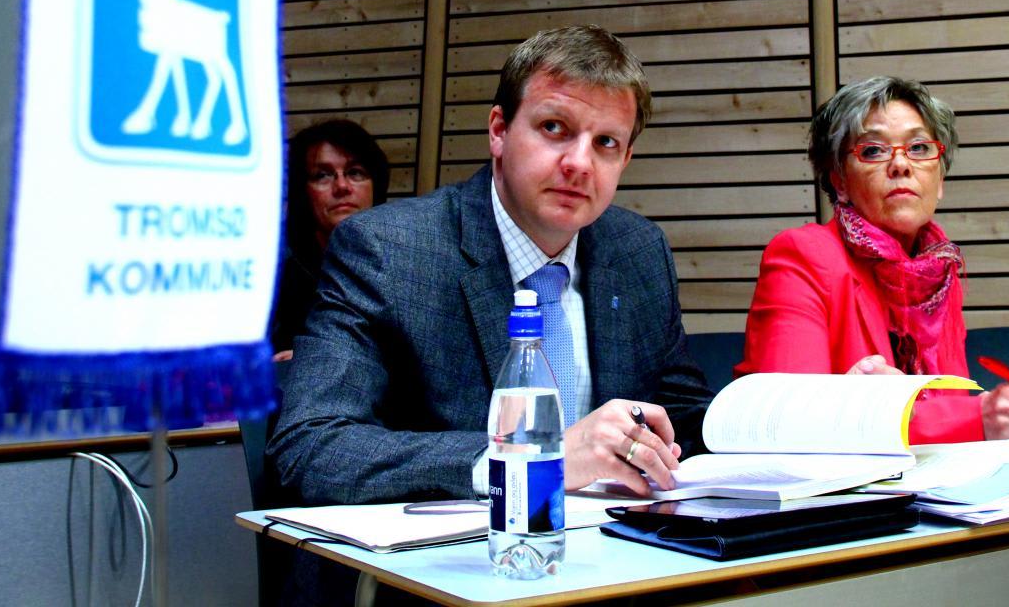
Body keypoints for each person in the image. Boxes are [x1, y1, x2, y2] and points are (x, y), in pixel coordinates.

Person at [269, 25, 713, 506]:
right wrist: (528, 458)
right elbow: (311, 445)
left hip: (612, 544)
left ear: (625, 159)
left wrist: (761, 425)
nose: (580, 163)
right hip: (456, 547)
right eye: (554, 128)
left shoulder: (637, 250)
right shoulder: (388, 251)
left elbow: (682, 417)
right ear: (499, 131)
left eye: (605, 142)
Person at [737, 76, 1009, 442]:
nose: (901, 164)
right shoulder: (802, 255)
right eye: (873, 151)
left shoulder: (938, 272)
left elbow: (945, 414)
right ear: (840, 181)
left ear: (940, 180)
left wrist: (996, 416)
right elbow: (787, 420)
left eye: (919, 148)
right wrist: (975, 417)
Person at [269, 119, 390, 360]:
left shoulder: (408, 262)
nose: (342, 186)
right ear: (302, 191)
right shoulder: (274, 272)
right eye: (323, 175)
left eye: (355, 173)